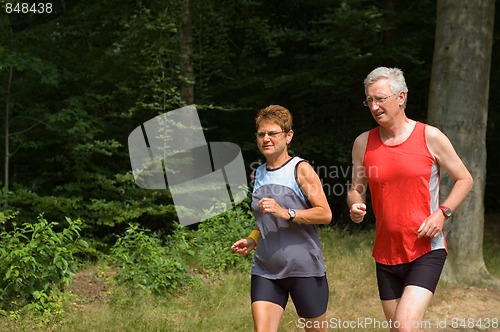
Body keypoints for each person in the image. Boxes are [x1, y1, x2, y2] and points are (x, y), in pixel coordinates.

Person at [347, 67, 474, 332]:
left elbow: (465, 179)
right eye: (369, 100)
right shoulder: (363, 143)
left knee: (405, 326)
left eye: (380, 98)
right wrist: (355, 203)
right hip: (385, 253)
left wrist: (442, 214)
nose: (374, 105)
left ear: (401, 97)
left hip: (425, 249)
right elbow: (356, 188)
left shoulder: (430, 137)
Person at [231, 105, 332, 332]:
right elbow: (264, 221)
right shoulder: (258, 173)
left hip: (304, 269)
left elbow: (325, 214)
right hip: (266, 269)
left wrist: (288, 213)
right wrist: (253, 238)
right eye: (261, 134)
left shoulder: (301, 169)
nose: (266, 139)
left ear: (288, 136)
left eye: (273, 133)